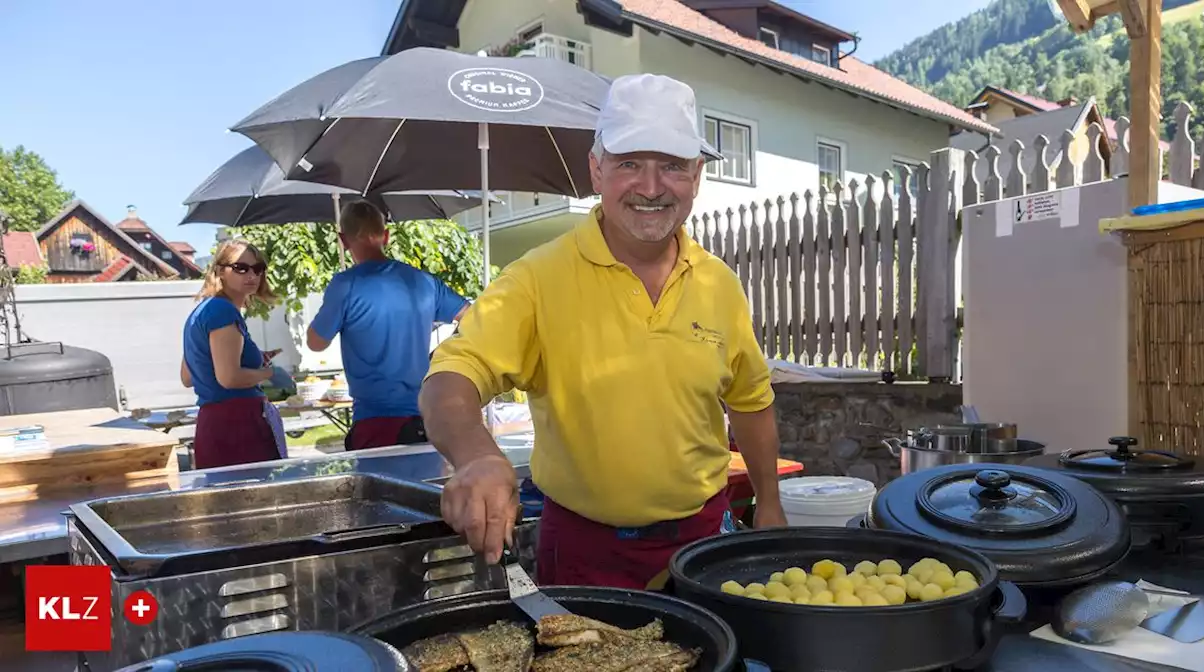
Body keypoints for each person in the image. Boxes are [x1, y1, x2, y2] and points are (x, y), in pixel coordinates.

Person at [420, 73, 788, 590]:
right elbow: (451, 376)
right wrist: (478, 454)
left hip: (705, 543)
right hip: (582, 552)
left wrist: (769, 505)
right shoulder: (537, 277)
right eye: (630, 163)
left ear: (697, 175)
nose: (652, 187)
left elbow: (751, 401)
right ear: (597, 169)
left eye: (673, 166)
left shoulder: (719, 283)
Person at [307, 200, 469, 451]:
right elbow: (472, 317)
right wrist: (443, 353)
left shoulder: (345, 285)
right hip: (426, 416)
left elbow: (315, 343)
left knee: (379, 491)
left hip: (374, 421)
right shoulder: (422, 281)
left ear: (343, 239)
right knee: (426, 489)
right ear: (386, 236)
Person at [181, 239, 287, 469]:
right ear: (220, 271)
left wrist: (255, 358)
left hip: (212, 425)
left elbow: (188, 377)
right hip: (239, 425)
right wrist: (269, 373)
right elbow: (228, 378)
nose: (251, 275)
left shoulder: (201, 311)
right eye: (240, 268)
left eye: (258, 268)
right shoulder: (223, 311)